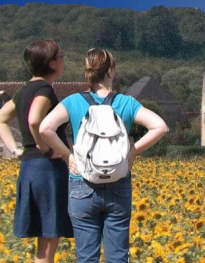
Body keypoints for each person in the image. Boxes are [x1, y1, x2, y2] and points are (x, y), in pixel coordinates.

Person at [40, 48, 168, 263]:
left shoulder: (73, 102)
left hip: (82, 183)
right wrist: (132, 152)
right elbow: (160, 127)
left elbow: (45, 129)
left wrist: (67, 155)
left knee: (86, 257)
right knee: (117, 257)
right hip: (118, 183)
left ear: (87, 73)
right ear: (110, 72)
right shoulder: (126, 102)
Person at [0, 40, 73, 263]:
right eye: (61, 56)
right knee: (49, 240)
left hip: (30, 167)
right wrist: (46, 148)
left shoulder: (23, 90)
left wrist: (15, 149)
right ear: (52, 64)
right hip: (47, 170)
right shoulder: (44, 89)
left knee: (44, 240)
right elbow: (34, 120)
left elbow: (2, 118)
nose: (63, 59)